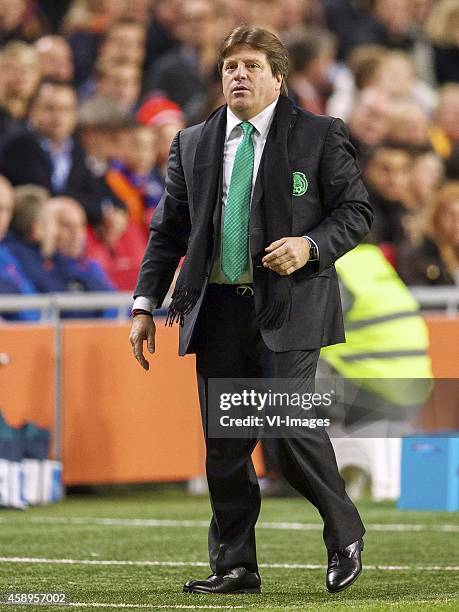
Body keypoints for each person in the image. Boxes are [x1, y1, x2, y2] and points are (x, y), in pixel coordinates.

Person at [130, 26, 372, 595]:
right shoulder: (193, 142)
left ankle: (345, 533)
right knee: (226, 447)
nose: (238, 75)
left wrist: (308, 245)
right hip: (216, 311)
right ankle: (236, 564)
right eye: (230, 66)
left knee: (285, 431)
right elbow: (168, 232)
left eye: (252, 66)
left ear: (277, 77)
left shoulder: (318, 134)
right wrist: (145, 304)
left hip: (291, 307)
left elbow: (357, 212)